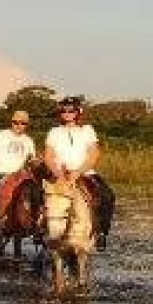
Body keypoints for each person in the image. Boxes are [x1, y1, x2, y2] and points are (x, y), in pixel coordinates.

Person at [41, 95, 115, 249]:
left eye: (71, 111)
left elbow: (94, 154)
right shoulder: (54, 132)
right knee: (39, 196)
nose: (67, 114)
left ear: (77, 112)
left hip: (85, 173)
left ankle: (101, 233)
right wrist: (58, 174)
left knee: (107, 195)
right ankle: (41, 232)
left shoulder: (87, 130)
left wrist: (79, 172)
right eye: (64, 111)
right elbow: (48, 156)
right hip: (60, 174)